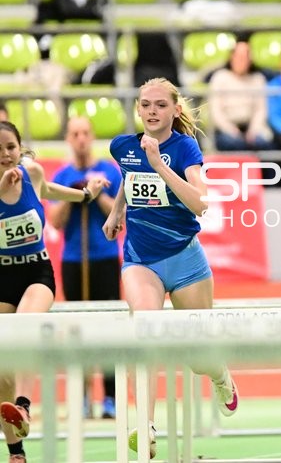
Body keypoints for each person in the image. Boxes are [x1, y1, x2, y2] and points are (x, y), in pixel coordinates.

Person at [102, 77, 239, 459]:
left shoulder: (185, 148)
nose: (151, 111)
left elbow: (201, 203)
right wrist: (117, 211)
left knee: (199, 357)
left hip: (186, 260)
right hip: (140, 260)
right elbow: (131, 181)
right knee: (145, 332)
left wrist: (159, 164)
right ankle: (143, 424)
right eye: (145, 104)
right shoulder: (122, 146)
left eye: (160, 105)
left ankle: (220, 375)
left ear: (175, 110)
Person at [0, 121, 108, 463]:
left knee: (25, 328)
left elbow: (51, 190)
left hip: (37, 271)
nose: (5, 155)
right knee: (2, 368)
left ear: (20, 148)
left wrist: (86, 195)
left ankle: (24, 406)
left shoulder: (30, 171)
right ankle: (16, 449)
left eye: (10, 147)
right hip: (2, 277)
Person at [47, 116, 123, 420]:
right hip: (73, 260)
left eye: (85, 133)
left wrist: (95, 195)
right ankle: (80, 398)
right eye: (75, 134)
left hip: (104, 258)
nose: (80, 139)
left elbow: (119, 215)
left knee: (107, 328)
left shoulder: (109, 172)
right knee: (75, 329)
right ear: (68, 138)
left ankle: (109, 398)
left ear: (92, 136)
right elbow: (54, 220)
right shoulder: (63, 174)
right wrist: (75, 194)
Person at [208, 40, 274, 151]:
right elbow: (216, 112)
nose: (242, 60)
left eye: (245, 56)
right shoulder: (220, 77)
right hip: (226, 129)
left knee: (265, 145)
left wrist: (253, 131)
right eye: (239, 56)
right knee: (235, 144)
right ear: (231, 57)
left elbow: (261, 110)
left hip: (253, 128)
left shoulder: (258, 79)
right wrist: (232, 130)